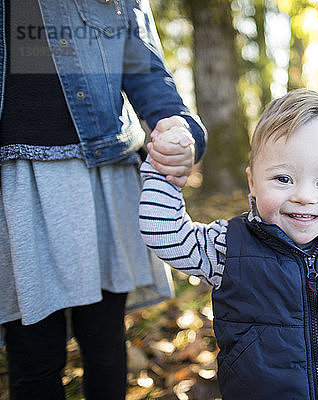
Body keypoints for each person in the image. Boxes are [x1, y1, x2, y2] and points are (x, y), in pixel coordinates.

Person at [139, 89, 318, 399]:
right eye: (283, 179)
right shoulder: (229, 247)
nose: (304, 196)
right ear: (252, 182)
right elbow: (167, 234)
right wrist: (165, 172)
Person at [0, 0, 206, 399]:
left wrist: (180, 130)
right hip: (18, 186)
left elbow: (152, 79)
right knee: (34, 355)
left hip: (101, 174)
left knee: (106, 340)